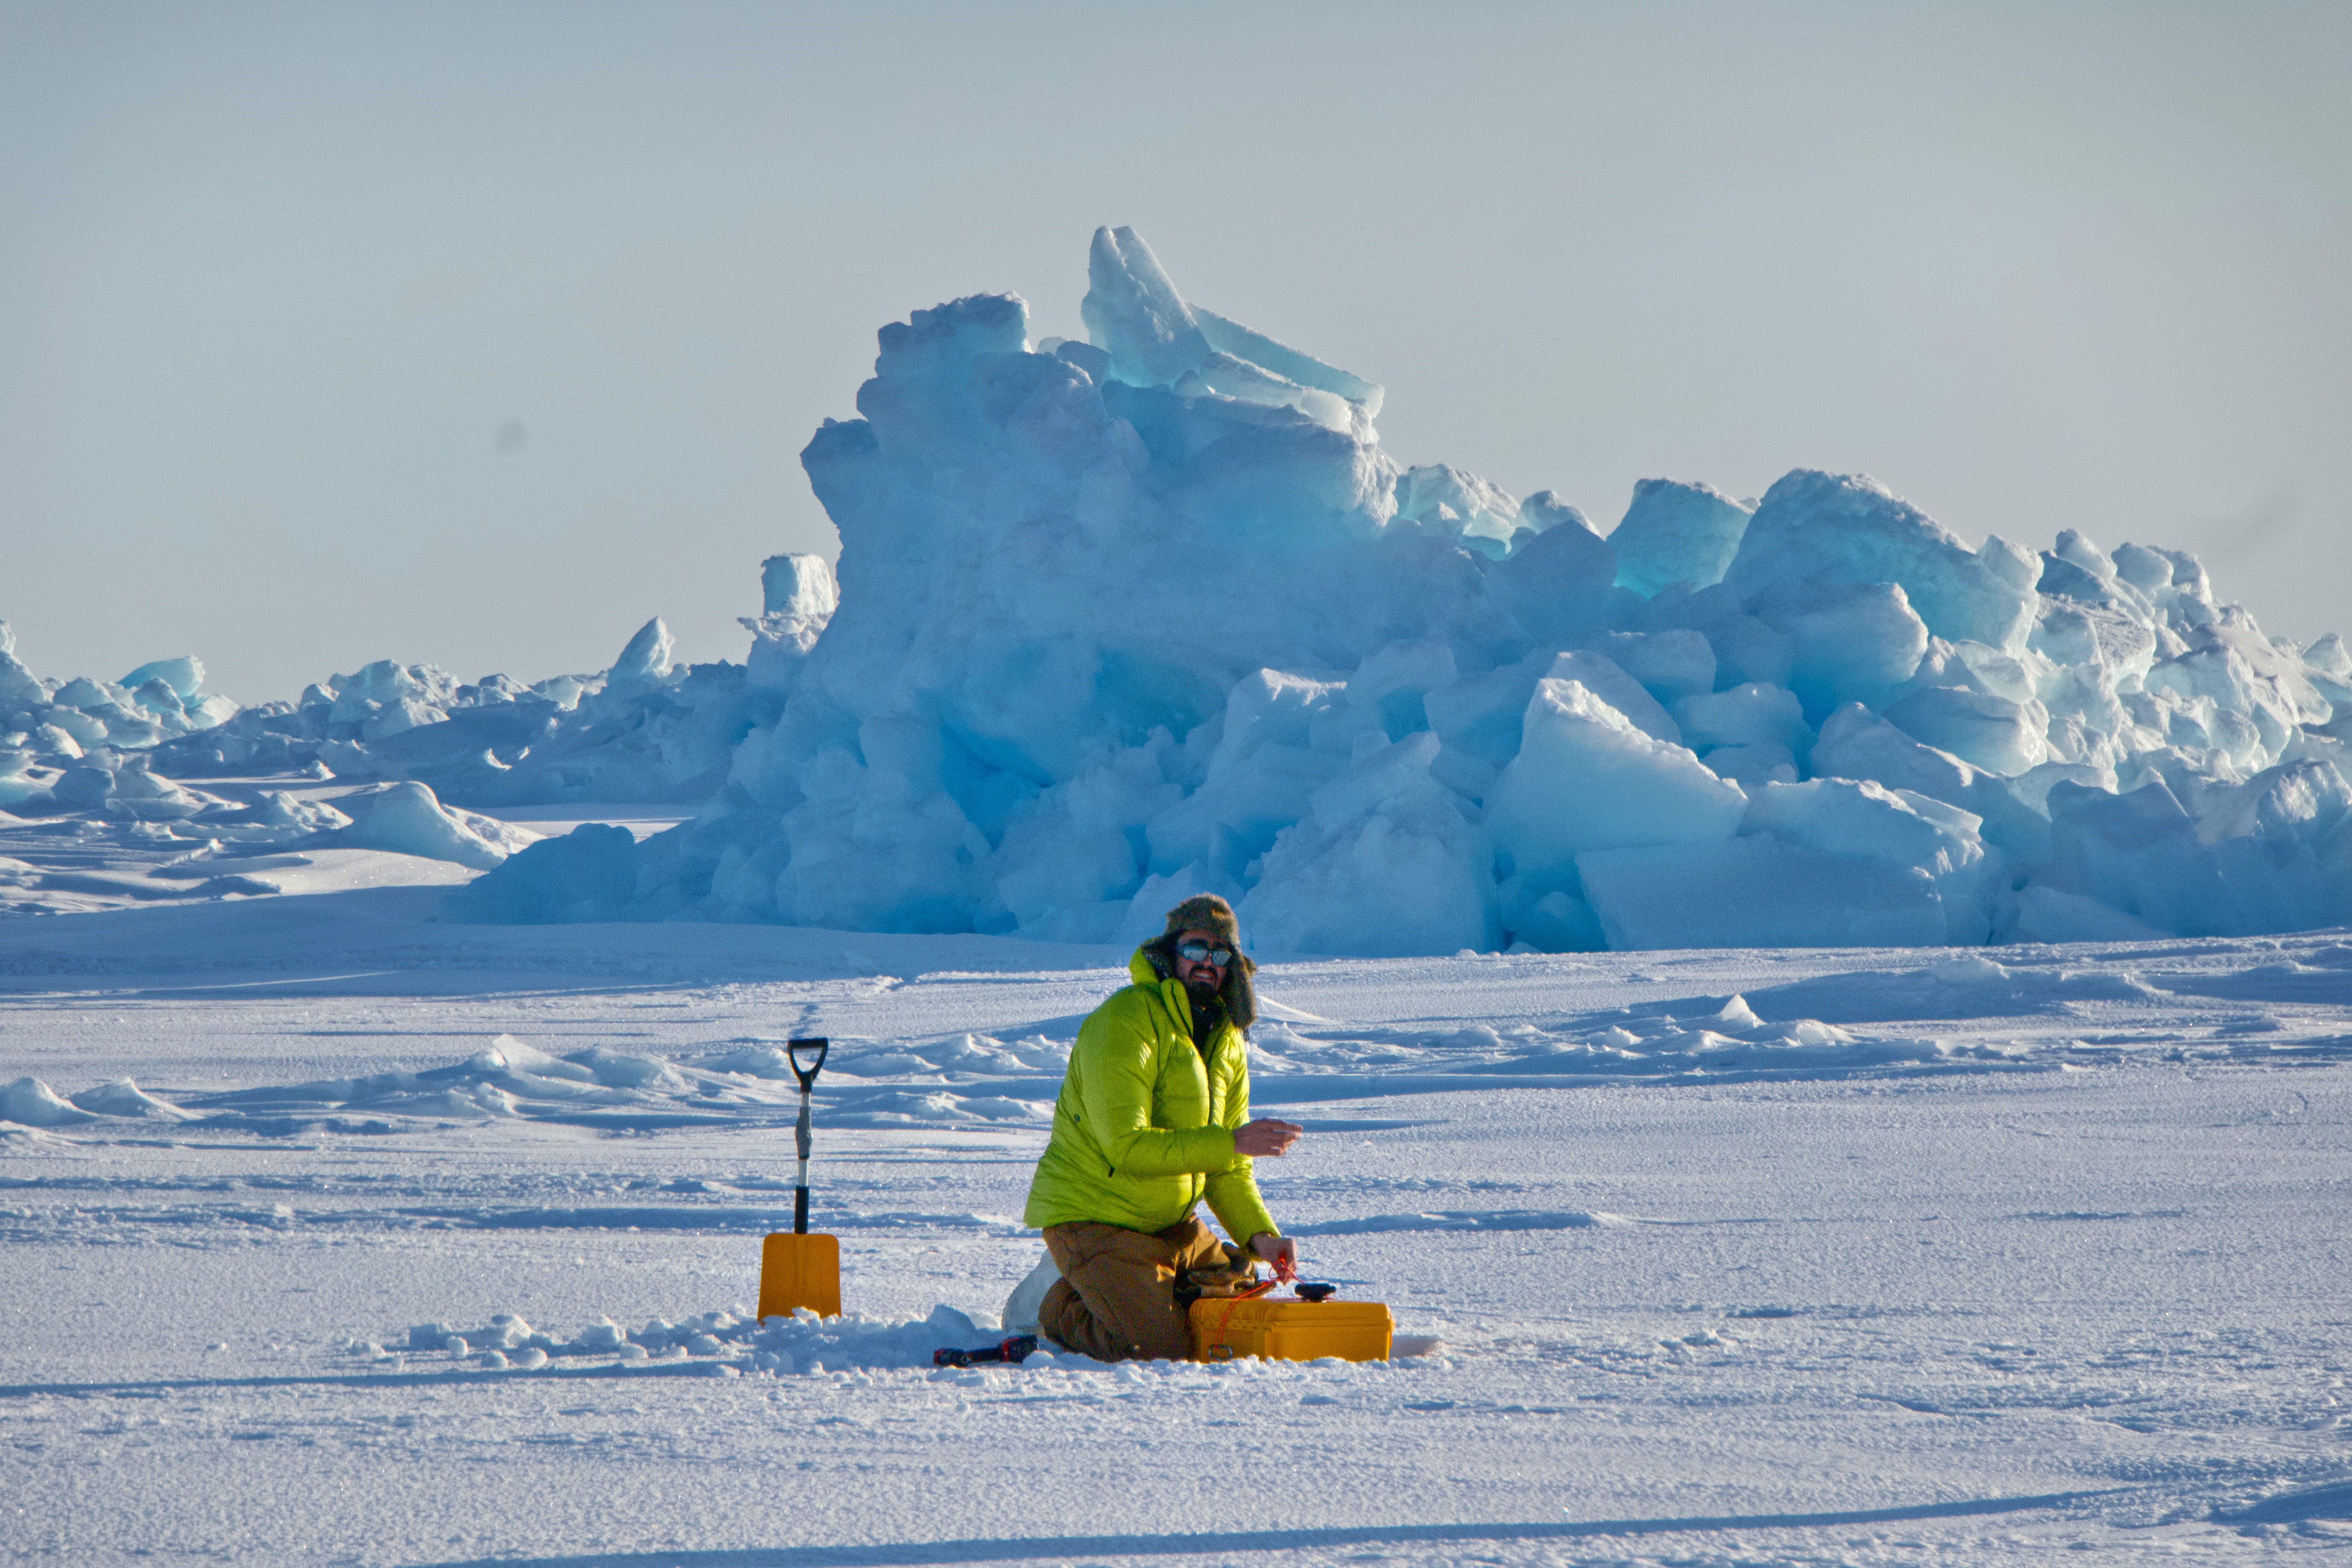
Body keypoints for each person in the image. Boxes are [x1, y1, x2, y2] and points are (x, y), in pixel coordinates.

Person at [1021, 894, 1304, 1361]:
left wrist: (1260, 1237)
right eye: (1195, 948)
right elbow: (1126, 1147)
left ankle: (1139, 1293)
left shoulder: (1226, 1040)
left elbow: (1226, 1166)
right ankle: (1055, 1302)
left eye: (1219, 954)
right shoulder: (1126, 1020)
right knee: (1156, 1349)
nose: (1207, 963)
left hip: (1171, 1226)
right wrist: (1232, 1142)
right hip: (1096, 1221)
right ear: (1170, 954)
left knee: (1237, 1312)